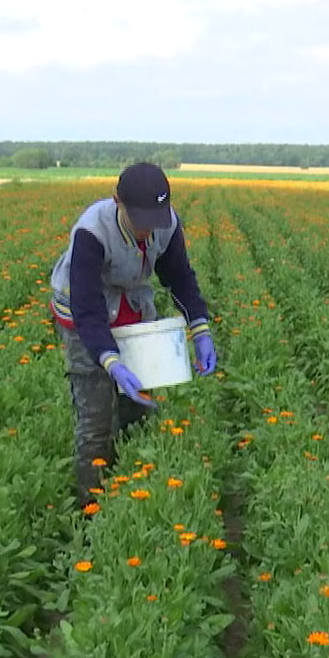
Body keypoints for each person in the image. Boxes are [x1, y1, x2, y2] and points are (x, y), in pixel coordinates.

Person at [48, 162, 218, 506]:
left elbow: (180, 277)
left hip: (131, 307)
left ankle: (130, 492)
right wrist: (109, 360)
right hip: (83, 315)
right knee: (96, 420)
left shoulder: (167, 225)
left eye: (154, 219)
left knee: (137, 410)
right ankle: (91, 510)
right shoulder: (91, 232)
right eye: (139, 220)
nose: (147, 230)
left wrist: (200, 328)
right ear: (117, 203)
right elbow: (87, 306)